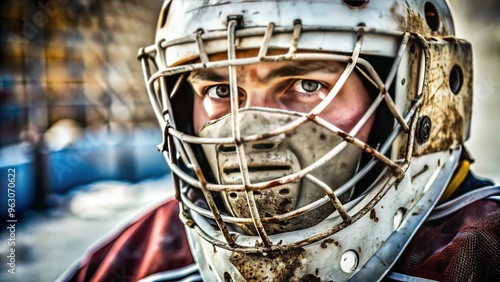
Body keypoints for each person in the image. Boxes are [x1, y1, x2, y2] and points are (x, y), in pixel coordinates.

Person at [60, 0, 500, 281]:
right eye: (220, 90)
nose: (251, 131)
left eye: (307, 84)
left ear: (411, 98)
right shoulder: (142, 257)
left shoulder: (481, 251)